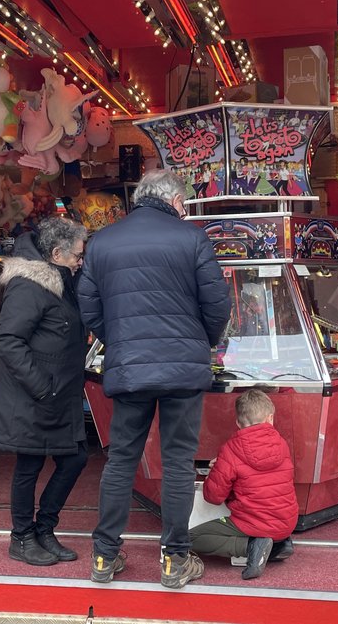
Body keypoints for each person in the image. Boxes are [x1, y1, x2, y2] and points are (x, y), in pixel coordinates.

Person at [78, 169, 231, 589]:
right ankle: (174, 560)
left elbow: (88, 305)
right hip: (183, 367)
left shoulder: (103, 241)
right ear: (175, 201)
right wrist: (201, 342)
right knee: (179, 461)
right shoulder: (191, 238)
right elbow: (217, 303)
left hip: (130, 366)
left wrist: (120, 340)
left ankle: (105, 557)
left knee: (122, 458)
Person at [0, 218, 90, 567]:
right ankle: (22, 537)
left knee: (75, 458)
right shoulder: (29, 285)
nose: (81, 259)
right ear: (57, 253)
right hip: (36, 395)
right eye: (77, 254)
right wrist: (42, 388)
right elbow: (8, 341)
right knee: (29, 465)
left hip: (60, 394)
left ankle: (44, 528)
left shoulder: (65, 280)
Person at [189, 389, 298, 580]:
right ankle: (279, 544)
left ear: (238, 423)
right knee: (266, 526)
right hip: (287, 522)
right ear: (270, 418)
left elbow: (213, 497)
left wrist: (217, 469)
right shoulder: (281, 443)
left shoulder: (231, 450)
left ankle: (251, 547)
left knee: (188, 539)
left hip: (253, 522)